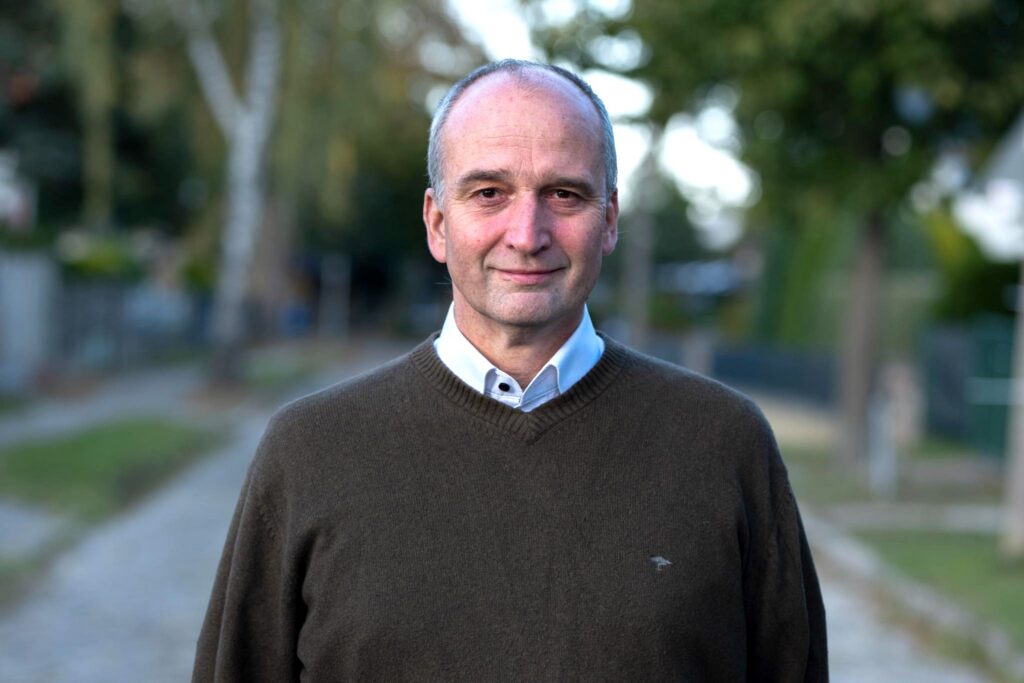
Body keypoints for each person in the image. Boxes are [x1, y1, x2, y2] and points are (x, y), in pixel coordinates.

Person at [193, 60, 828, 682]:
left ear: (609, 221)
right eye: (489, 193)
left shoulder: (724, 443)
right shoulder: (310, 451)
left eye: (564, 194)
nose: (527, 234)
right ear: (437, 223)